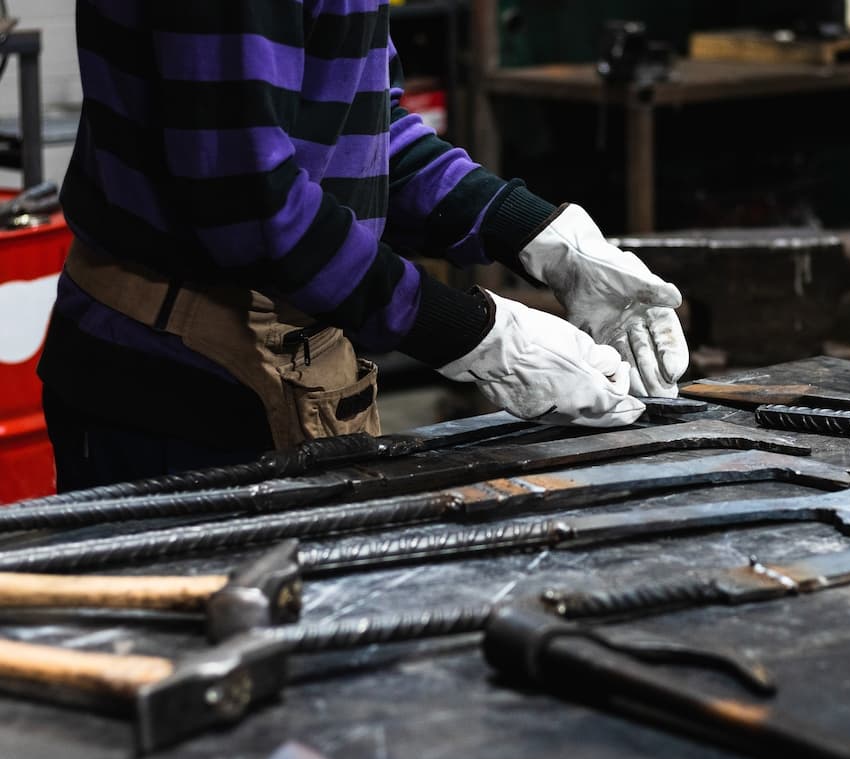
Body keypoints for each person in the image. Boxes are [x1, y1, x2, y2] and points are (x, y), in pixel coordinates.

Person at [38, 1, 688, 492]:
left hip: (280, 355)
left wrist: (537, 235)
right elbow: (246, 204)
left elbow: (365, 130)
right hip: (175, 393)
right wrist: (473, 335)